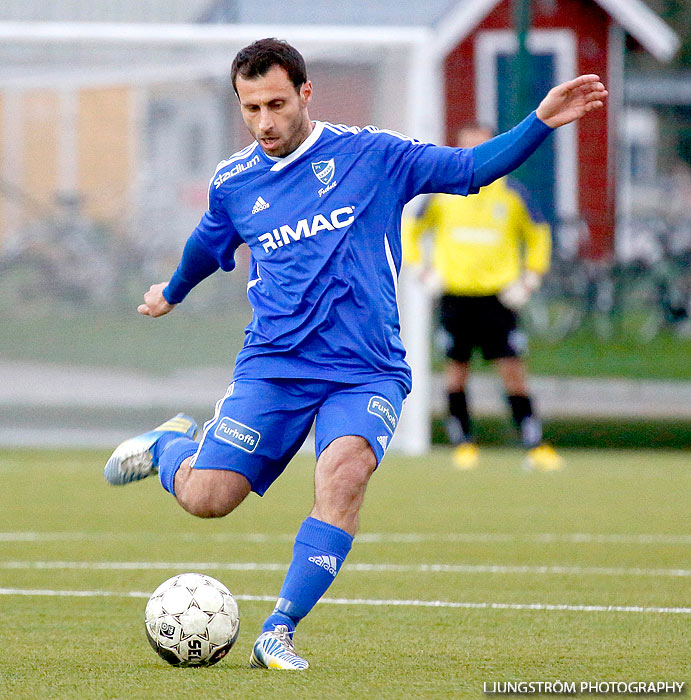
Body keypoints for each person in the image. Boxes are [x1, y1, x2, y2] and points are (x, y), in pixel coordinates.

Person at [104, 38, 606, 670]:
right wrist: (171, 292)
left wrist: (539, 123)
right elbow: (209, 245)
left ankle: (279, 629)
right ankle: (168, 446)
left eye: (277, 104)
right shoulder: (235, 182)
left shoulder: (374, 155)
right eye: (250, 108)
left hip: (365, 370)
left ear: (307, 93)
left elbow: (468, 169)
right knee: (208, 498)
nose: (264, 122)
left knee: (342, 474)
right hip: (274, 369)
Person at [404, 123, 563, 471]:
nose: (473, 157)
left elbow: (539, 233)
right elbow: (411, 227)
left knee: (513, 371)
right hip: (455, 296)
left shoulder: (511, 193)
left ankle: (533, 443)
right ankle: (463, 443)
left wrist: (531, 278)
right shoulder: (443, 193)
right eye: (466, 149)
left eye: (481, 149)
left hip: (498, 298)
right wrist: (421, 269)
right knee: (455, 372)